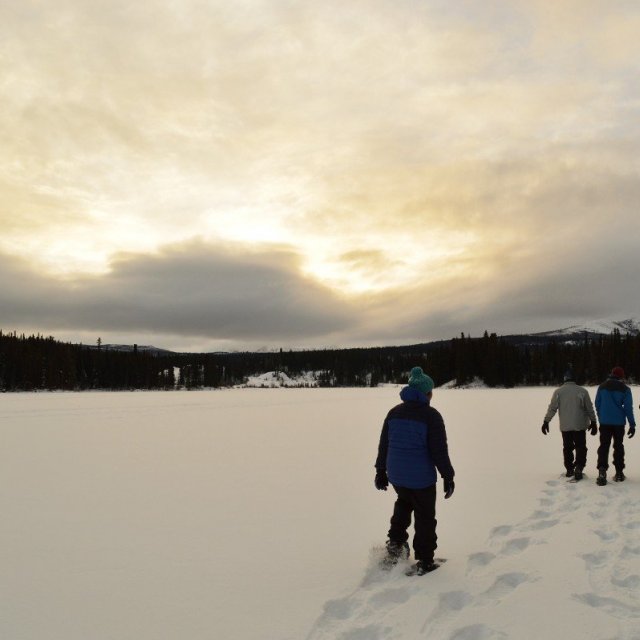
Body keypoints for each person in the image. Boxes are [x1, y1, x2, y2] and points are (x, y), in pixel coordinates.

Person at [374, 366, 455, 576]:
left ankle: (395, 546)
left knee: (403, 504)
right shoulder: (431, 416)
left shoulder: (394, 412)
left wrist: (381, 471)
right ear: (426, 393)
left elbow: (384, 445)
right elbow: (439, 450)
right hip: (421, 479)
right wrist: (448, 475)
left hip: (397, 476)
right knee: (425, 516)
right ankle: (425, 560)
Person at [541, 369, 597, 481]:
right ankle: (579, 467)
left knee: (567, 448)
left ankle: (569, 469)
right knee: (581, 446)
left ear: (565, 379)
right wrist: (593, 422)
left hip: (565, 426)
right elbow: (589, 408)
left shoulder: (558, 392)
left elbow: (552, 408)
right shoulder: (582, 391)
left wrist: (546, 421)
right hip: (579, 425)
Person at [595, 366, 636, 485]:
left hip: (605, 422)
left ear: (611, 374)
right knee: (618, 446)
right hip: (619, 423)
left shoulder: (602, 386)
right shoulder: (625, 389)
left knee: (604, 446)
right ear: (621, 376)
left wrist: (601, 416)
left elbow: (597, 403)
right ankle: (619, 472)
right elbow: (628, 408)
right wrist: (632, 425)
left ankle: (602, 471)